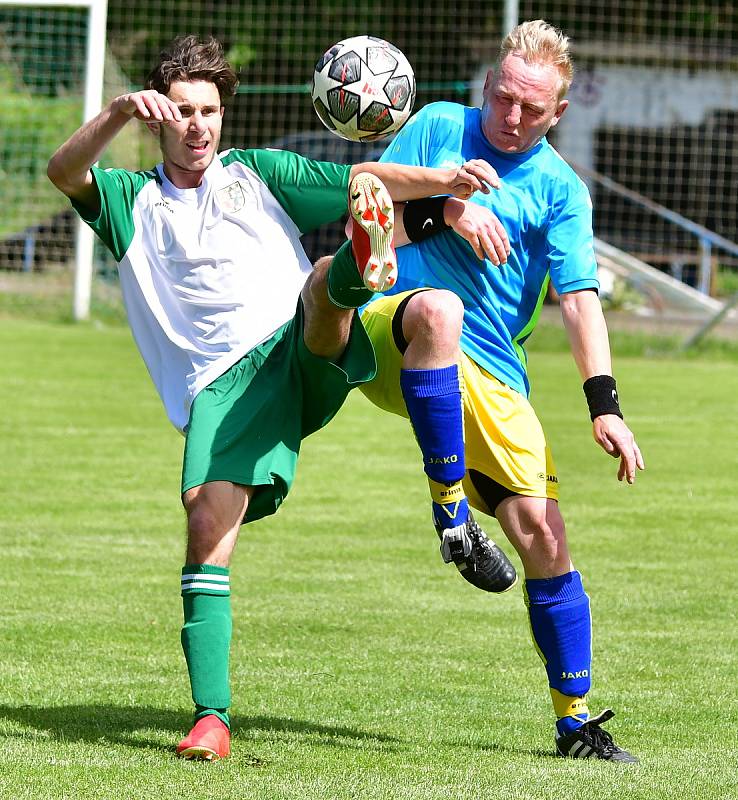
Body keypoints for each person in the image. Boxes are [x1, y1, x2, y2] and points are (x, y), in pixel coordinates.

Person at [46, 34, 499, 761]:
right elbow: (61, 169)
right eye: (184, 111)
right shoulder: (129, 201)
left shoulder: (259, 173)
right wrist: (113, 113)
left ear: (225, 116)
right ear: (160, 118)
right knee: (205, 525)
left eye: (211, 110)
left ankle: (363, 262)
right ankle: (211, 720)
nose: (198, 125)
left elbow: (368, 172)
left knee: (322, 278)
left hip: (298, 343)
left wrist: (445, 181)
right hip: (223, 389)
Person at [359, 20, 645, 762]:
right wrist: (449, 205)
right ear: (487, 85)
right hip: (393, 324)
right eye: (504, 99)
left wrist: (604, 405)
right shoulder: (436, 127)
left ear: (558, 115)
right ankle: (451, 515)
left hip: (489, 372)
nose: (511, 118)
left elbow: (580, 300)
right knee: (441, 310)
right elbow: (365, 196)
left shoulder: (560, 191)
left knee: (545, 538)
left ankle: (575, 720)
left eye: (530, 109)